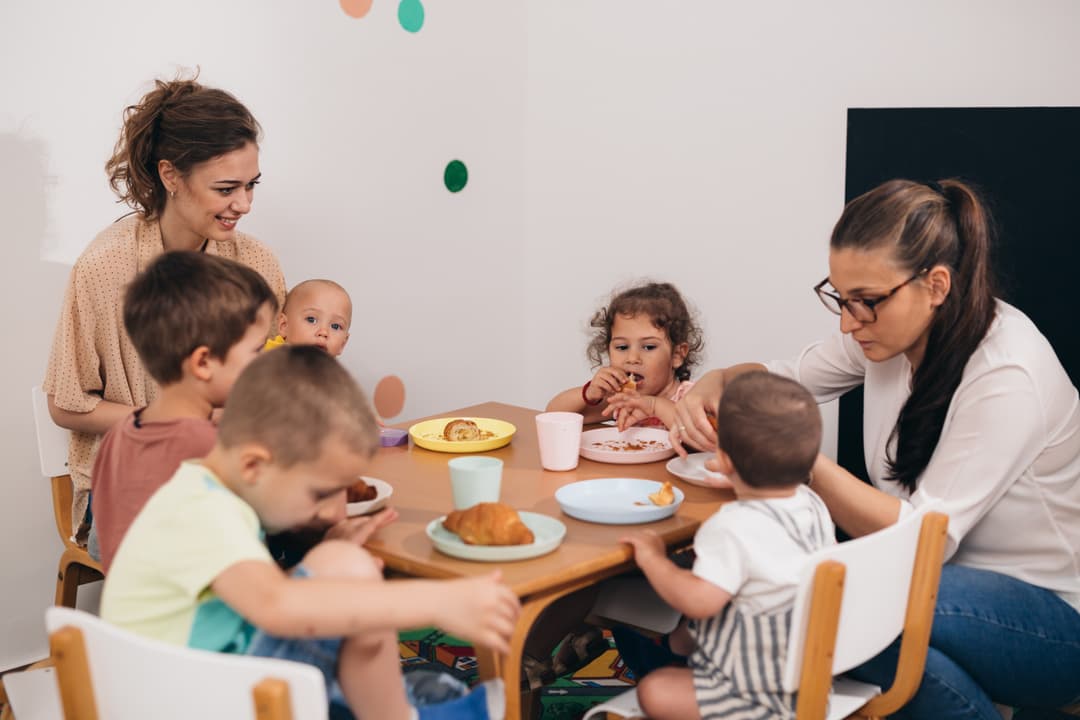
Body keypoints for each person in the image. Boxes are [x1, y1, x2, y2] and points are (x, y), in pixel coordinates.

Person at [671, 178, 1080, 718]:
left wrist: (792, 460)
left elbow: (925, 542)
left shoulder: (1006, 371)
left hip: (1050, 623)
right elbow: (780, 376)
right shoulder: (883, 333)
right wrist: (714, 382)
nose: (848, 321)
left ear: (936, 285)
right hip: (934, 591)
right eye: (840, 298)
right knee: (869, 641)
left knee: (830, 611)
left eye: (866, 302)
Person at [102, 346, 520, 720]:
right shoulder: (204, 511)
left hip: (190, 683)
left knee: (340, 564)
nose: (336, 509)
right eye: (321, 492)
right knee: (354, 575)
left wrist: (329, 554)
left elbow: (248, 604)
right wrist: (439, 601)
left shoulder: (199, 492)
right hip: (188, 702)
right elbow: (277, 606)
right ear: (253, 465)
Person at [43, 74, 286, 543]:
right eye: (226, 189)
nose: (244, 204)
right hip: (130, 488)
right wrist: (182, 421)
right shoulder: (105, 267)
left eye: (251, 185)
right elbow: (66, 405)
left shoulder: (255, 261)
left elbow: (278, 368)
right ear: (171, 175)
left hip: (233, 474)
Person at [623, 371, 833, 720]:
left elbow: (698, 601)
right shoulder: (813, 504)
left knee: (654, 690)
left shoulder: (731, 525)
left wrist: (653, 558)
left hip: (759, 695)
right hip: (809, 679)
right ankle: (685, 648)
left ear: (721, 461)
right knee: (684, 634)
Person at [89, 252, 277, 573]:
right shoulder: (209, 448)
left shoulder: (118, 435)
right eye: (256, 350)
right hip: (196, 618)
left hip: (130, 618)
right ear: (203, 363)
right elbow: (271, 523)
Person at [546, 281, 704, 431]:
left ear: (677, 355)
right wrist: (589, 394)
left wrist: (654, 406)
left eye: (649, 347)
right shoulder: (622, 399)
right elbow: (553, 416)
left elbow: (702, 435)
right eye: (622, 347)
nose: (632, 358)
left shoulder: (692, 397)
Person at [264, 278, 352, 356]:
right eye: (311, 320)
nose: (323, 332)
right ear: (284, 326)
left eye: (335, 326)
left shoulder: (332, 372)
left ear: (343, 344)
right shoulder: (266, 357)